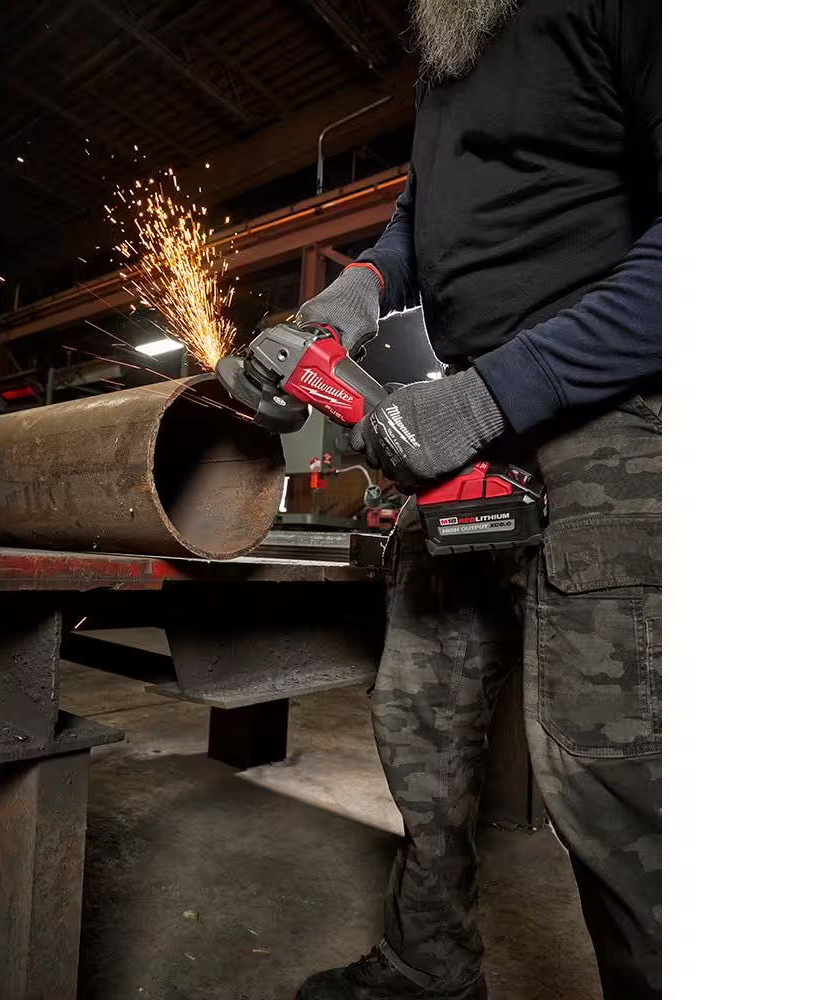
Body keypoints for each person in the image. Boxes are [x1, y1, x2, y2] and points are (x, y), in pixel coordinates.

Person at [291, 1, 661, 998]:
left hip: (613, 414)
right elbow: (420, 218)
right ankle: (430, 965)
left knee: (613, 768)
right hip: (472, 420)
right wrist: (361, 286)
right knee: (419, 718)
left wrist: (494, 394)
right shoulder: (449, 48)